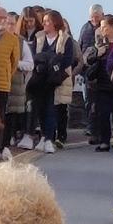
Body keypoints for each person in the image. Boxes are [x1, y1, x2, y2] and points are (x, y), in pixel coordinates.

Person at [26, 10, 79, 152]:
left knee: (52, 108)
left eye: (47, 21)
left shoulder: (65, 39)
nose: (44, 23)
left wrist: (51, 62)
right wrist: (48, 59)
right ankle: (43, 136)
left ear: (55, 22)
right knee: (40, 107)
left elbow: (67, 59)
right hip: (40, 78)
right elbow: (34, 56)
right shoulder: (39, 37)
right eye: (43, 21)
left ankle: (49, 138)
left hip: (56, 79)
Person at [0, 5, 24, 158]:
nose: (3, 20)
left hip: (2, 83)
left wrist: (7, 75)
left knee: (0, 115)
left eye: (4, 18)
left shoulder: (12, 39)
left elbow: (14, 62)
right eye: (0, 17)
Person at [82, 15, 113, 153]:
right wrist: (98, 54)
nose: (102, 29)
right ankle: (104, 141)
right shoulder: (99, 44)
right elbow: (88, 60)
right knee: (103, 115)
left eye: (105, 26)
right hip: (101, 85)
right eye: (101, 26)